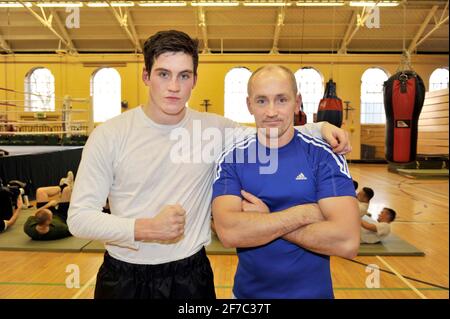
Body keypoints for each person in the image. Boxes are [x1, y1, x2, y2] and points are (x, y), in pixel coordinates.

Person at [67, 30, 353, 299]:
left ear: (194, 79)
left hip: (190, 275)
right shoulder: (109, 135)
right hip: (123, 276)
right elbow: (79, 218)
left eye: (184, 75)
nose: (174, 87)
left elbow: (273, 126)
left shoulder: (214, 131)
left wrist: (321, 127)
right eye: (163, 74)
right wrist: (143, 228)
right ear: (146, 75)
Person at [211, 65, 360, 299]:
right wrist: (303, 214)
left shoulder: (323, 155)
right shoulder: (232, 158)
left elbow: (347, 241)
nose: (271, 111)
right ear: (249, 104)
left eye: (281, 100)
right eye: (262, 101)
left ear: (297, 102)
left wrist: (265, 218)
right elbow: (230, 233)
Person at [23, 171, 74, 240]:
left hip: (47, 217)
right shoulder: (59, 229)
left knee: (40, 191)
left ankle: (62, 186)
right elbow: (74, 230)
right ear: (49, 222)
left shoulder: (28, 227)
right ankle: (67, 185)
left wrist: (49, 204)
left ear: (36, 221)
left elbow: (36, 213)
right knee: (67, 190)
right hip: (62, 217)